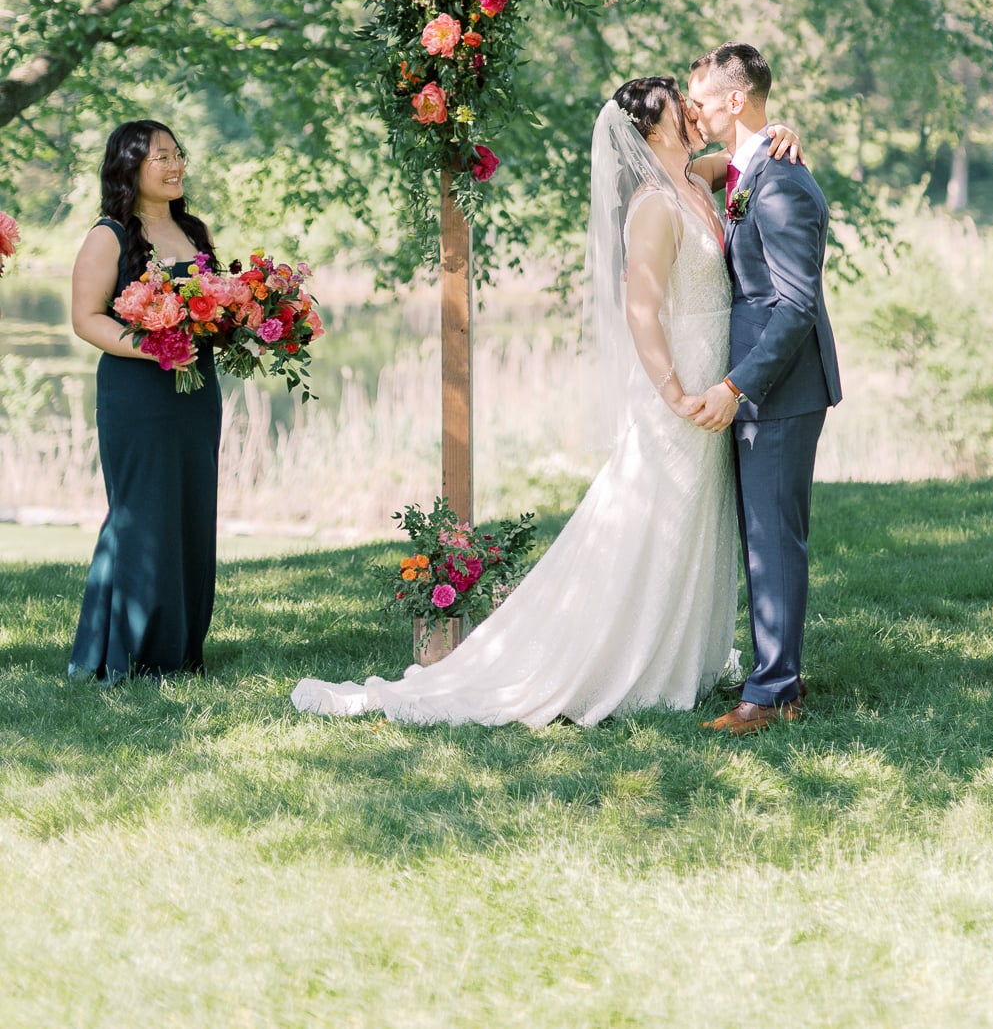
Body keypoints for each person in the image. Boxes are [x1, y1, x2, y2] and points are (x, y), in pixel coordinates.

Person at [292, 78, 742, 726]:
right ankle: (615, 659)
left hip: (715, 382)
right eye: (680, 101)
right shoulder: (653, 205)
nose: (692, 109)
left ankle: (679, 653)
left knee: (695, 518)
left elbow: (744, 153)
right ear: (650, 128)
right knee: (653, 520)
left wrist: (778, 133)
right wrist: (673, 392)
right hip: (681, 391)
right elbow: (640, 311)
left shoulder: (698, 183)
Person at [685, 44, 842, 735]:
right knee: (764, 538)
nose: (693, 111)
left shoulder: (781, 183)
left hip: (777, 388)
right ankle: (779, 679)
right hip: (761, 386)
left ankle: (772, 694)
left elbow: (795, 306)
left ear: (735, 101)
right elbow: (691, 169)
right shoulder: (750, 168)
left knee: (773, 542)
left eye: (700, 100)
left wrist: (736, 386)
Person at [68, 122, 223, 683]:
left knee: (191, 510)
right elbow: (86, 319)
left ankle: (181, 648)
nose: (175, 164)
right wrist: (157, 347)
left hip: (196, 394)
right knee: (142, 513)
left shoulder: (196, 232)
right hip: (138, 393)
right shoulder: (108, 234)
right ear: (131, 165)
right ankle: (127, 651)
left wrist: (243, 323)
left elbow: (215, 306)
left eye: (178, 153)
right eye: (162, 156)